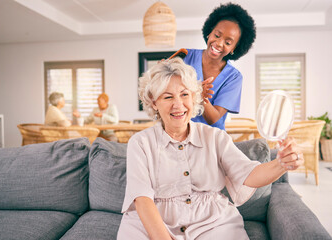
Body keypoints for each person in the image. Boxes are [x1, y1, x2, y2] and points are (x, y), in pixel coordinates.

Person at [117, 58, 303, 240]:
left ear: (194, 97)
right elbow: (142, 199)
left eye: (184, 94)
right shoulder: (140, 143)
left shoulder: (214, 137)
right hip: (154, 220)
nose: (178, 104)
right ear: (153, 102)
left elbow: (249, 175)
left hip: (212, 222)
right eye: (167, 97)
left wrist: (281, 163)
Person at [183, 3, 256, 130]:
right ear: (209, 33)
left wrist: (200, 96)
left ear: (234, 48)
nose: (218, 43)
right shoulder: (185, 56)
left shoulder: (233, 77)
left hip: (212, 140)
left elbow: (213, 118)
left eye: (228, 42)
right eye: (217, 35)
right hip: (178, 135)